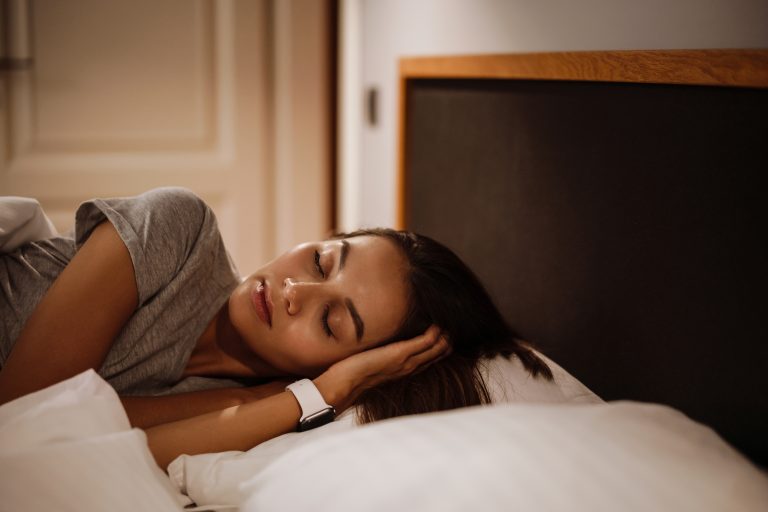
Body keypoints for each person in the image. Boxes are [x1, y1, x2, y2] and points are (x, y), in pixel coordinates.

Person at [0, 187, 550, 468]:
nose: (295, 293)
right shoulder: (179, 230)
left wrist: (312, 396)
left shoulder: (255, 418)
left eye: (332, 321)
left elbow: (63, 446)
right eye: (321, 261)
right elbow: (23, 414)